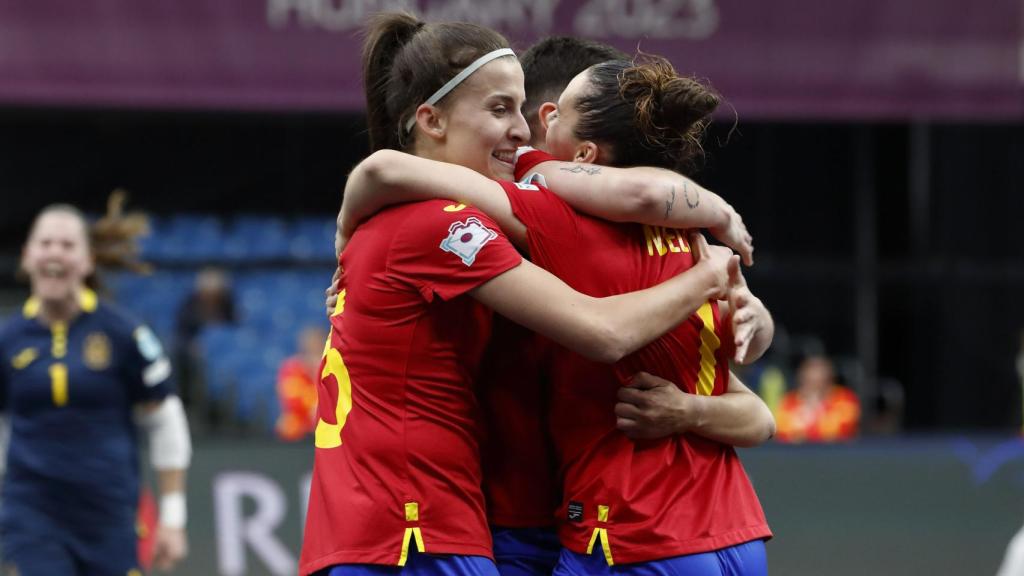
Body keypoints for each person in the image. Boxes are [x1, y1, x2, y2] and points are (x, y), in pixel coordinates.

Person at [300, 13, 739, 576]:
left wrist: (694, 405)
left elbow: (751, 409)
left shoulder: (415, 214)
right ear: (431, 119)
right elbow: (604, 331)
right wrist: (709, 274)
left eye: (522, 109)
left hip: (397, 529)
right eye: (500, 109)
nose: (523, 132)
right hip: (415, 532)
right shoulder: (441, 222)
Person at [0, 198, 192, 575]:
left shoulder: (125, 334)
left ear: (87, 262)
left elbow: (165, 419)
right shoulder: (7, 340)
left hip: (110, 518)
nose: (55, 252)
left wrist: (172, 517)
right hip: (32, 516)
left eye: (68, 245)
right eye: (45, 243)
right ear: (26, 256)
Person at [775, 355, 861, 443]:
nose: (814, 388)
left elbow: (843, 431)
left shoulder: (845, 398)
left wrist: (815, 410)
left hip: (837, 453)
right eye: (810, 382)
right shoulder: (789, 400)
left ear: (829, 379)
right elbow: (782, 433)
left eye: (819, 382)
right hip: (797, 454)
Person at [275, 326, 326, 442]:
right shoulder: (291, 367)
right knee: (286, 425)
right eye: (311, 342)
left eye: (318, 341)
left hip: (327, 417)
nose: (314, 345)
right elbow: (292, 399)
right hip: (300, 419)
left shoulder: (332, 365)